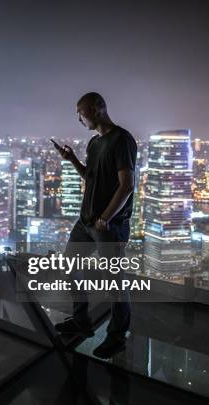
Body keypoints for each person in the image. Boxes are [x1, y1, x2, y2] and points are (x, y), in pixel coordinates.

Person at [52, 92, 137, 359]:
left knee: (115, 283)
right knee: (70, 265)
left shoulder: (121, 139)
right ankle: (82, 321)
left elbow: (127, 185)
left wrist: (107, 218)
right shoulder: (94, 143)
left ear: (98, 109)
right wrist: (73, 160)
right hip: (86, 220)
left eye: (82, 112)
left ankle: (117, 337)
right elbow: (91, 177)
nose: (79, 118)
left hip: (107, 226)